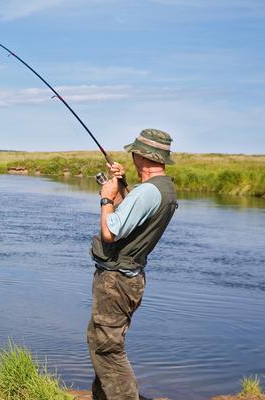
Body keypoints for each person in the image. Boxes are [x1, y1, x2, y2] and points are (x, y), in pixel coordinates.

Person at [87, 128, 178, 400]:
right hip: (129, 279)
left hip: (117, 281)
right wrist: (122, 183)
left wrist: (106, 196)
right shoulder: (164, 189)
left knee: (107, 348)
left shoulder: (148, 192)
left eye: (134, 153)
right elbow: (132, 215)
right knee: (103, 342)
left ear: (140, 156)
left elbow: (111, 232)